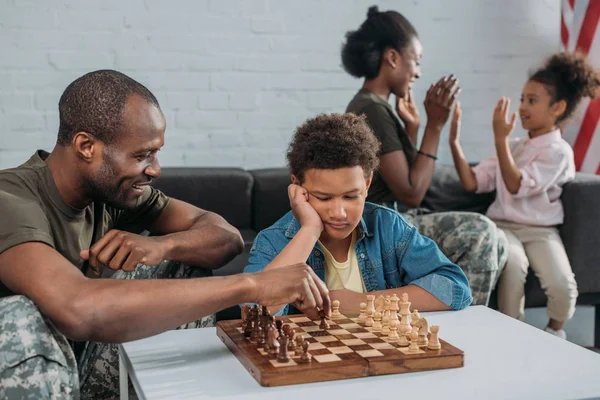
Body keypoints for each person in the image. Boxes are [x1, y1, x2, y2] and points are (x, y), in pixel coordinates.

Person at [0, 70, 331, 399]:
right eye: (142, 155)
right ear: (86, 146)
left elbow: (226, 238)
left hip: (78, 370)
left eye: (155, 153)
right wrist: (254, 285)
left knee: (183, 265)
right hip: (29, 376)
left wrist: (162, 246)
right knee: (21, 318)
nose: (155, 169)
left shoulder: (111, 193)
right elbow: (76, 307)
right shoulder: (10, 199)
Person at [342, 5, 507, 306]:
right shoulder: (372, 110)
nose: (417, 71)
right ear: (392, 57)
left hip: (392, 218)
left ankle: (447, 315)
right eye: (415, 61)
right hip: (381, 226)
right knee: (480, 232)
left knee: (498, 240)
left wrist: (413, 129)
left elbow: (398, 177)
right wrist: (435, 126)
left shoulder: (374, 106)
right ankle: (467, 323)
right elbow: (411, 193)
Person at [244, 113, 472, 315]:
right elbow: (253, 313)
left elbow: (455, 288)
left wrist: (363, 302)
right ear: (297, 187)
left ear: (367, 184)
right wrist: (309, 230)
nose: (339, 212)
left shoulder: (388, 227)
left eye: (351, 196)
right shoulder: (273, 241)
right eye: (324, 198)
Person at [449, 52, 599, 339]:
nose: (523, 107)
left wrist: (500, 140)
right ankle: (512, 337)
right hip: (504, 228)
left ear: (557, 108)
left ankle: (554, 333)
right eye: (522, 99)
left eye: (532, 100)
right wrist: (455, 142)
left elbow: (517, 185)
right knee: (513, 269)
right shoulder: (513, 146)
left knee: (562, 287)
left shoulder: (558, 152)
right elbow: (472, 182)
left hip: (541, 231)